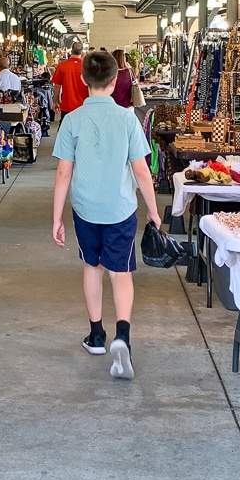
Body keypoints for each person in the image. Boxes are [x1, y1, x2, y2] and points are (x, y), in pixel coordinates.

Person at [51, 49, 162, 381]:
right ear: (116, 81)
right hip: (120, 208)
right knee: (121, 273)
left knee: (92, 267)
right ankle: (123, 336)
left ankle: (96, 336)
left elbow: (62, 174)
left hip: (86, 208)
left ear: (84, 80)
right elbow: (141, 172)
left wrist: (56, 218)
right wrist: (154, 211)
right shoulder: (128, 118)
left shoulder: (72, 120)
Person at [53, 40, 87, 119]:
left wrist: (55, 101)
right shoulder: (87, 67)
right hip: (84, 106)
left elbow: (57, 86)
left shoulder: (62, 66)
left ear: (71, 51)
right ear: (82, 52)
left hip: (67, 106)